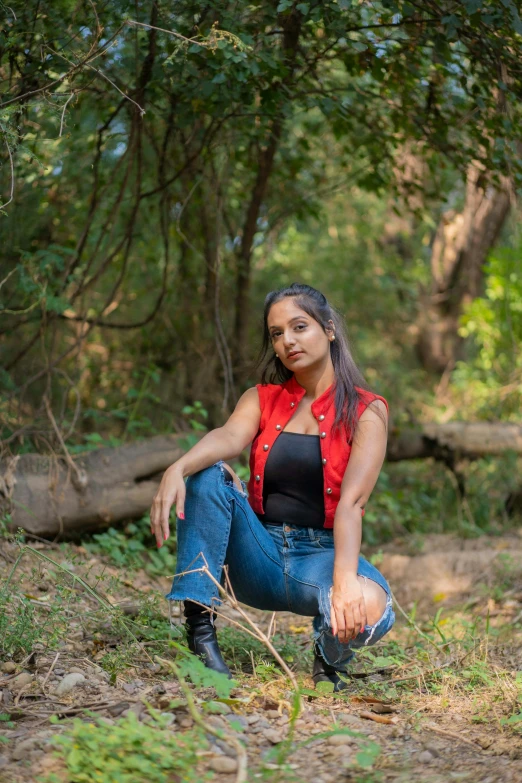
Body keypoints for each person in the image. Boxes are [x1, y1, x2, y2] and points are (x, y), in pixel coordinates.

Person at [150, 283, 395, 691]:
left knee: (371, 606)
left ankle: (328, 658)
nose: (288, 341)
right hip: (256, 553)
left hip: (318, 558)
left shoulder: (367, 410)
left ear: (329, 329)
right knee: (209, 472)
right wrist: (177, 467)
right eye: (277, 334)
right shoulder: (262, 398)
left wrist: (345, 582)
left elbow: (352, 503)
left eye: (299, 326)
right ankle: (199, 629)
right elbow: (227, 438)